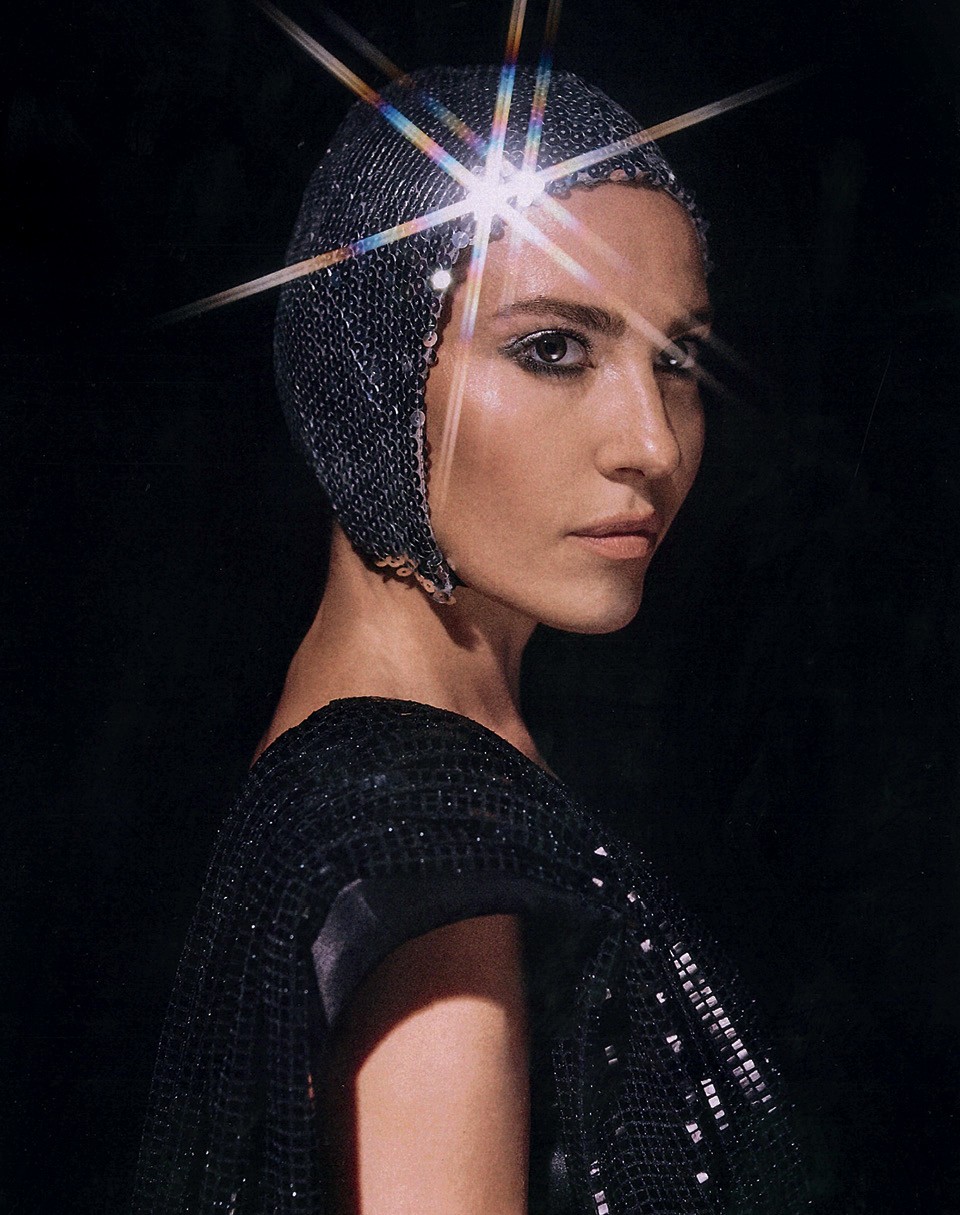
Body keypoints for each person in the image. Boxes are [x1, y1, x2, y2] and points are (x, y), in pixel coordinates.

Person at [133, 65, 807, 1215]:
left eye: (676, 360)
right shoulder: (432, 870)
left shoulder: (402, 770)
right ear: (372, 370)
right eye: (553, 349)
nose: (652, 443)